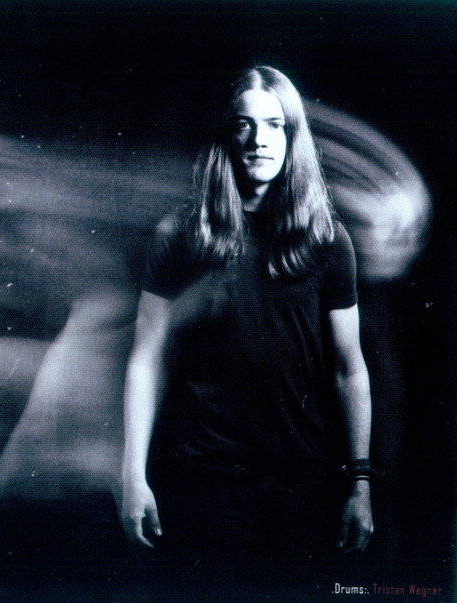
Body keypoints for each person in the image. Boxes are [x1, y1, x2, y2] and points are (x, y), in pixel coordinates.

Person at [120, 66, 374, 564]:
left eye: (275, 125)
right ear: (226, 135)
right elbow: (145, 360)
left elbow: (350, 369)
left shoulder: (326, 238)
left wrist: (360, 484)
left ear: (292, 135)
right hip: (199, 483)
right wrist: (132, 476)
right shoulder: (179, 234)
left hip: (300, 486)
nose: (259, 140)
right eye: (244, 125)